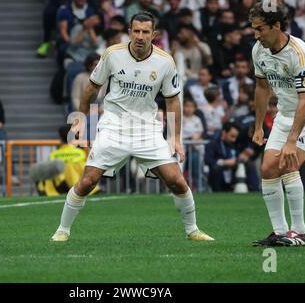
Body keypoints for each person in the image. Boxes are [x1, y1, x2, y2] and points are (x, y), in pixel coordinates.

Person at [51, 12, 214, 242]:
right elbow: (91, 88)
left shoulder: (165, 61)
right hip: (113, 126)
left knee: (176, 180)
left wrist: (175, 138)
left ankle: (192, 230)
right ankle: (62, 230)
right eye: (135, 31)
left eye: (145, 32)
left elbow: (172, 101)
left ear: (154, 35)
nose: (140, 36)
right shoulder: (112, 54)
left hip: (147, 129)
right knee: (88, 181)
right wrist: (80, 118)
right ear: (129, 32)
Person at [250, 2, 305, 247]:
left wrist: (290, 141)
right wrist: (257, 127)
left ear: (277, 26)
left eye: (260, 29)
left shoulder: (298, 52)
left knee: (288, 164)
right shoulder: (258, 50)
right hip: (286, 115)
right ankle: (280, 231)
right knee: (267, 169)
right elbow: (262, 88)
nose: (256, 35)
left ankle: (299, 232)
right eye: (253, 29)